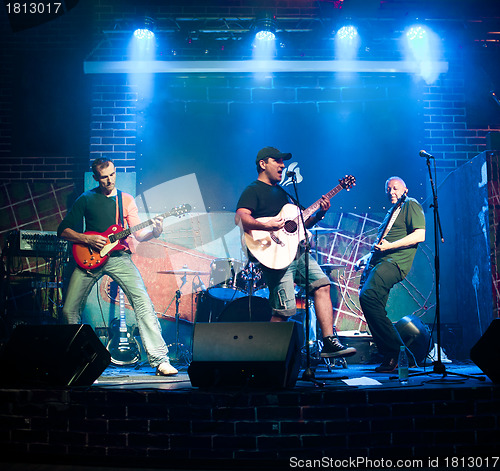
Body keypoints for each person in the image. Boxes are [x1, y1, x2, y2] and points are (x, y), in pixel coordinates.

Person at [58, 157, 177, 376]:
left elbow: (139, 234)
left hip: (119, 257)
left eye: (112, 175)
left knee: (142, 301)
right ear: (95, 178)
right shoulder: (86, 198)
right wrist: (87, 239)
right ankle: (74, 361)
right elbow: (63, 230)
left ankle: (160, 360)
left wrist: (155, 231)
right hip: (89, 258)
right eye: (104, 177)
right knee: (68, 310)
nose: (109, 180)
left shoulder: (126, 200)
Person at [235, 146, 356, 359]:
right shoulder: (253, 190)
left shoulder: (283, 192)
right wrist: (268, 226)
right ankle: (266, 357)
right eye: (277, 161)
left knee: (323, 285)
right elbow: (240, 218)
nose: (282, 165)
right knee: (284, 311)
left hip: (297, 252)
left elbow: (298, 225)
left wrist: (320, 214)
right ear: (263, 164)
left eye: (283, 161)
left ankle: (328, 342)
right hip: (273, 256)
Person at [358, 176, 426, 373]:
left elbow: (419, 235)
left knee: (368, 296)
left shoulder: (410, 204)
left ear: (405, 189)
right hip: (381, 261)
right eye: (388, 189)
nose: (391, 192)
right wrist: (365, 258)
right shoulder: (392, 212)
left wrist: (390, 246)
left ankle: (397, 352)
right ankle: (393, 355)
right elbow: (383, 243)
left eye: (395, 188)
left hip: (394, 262)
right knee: (374, 306)